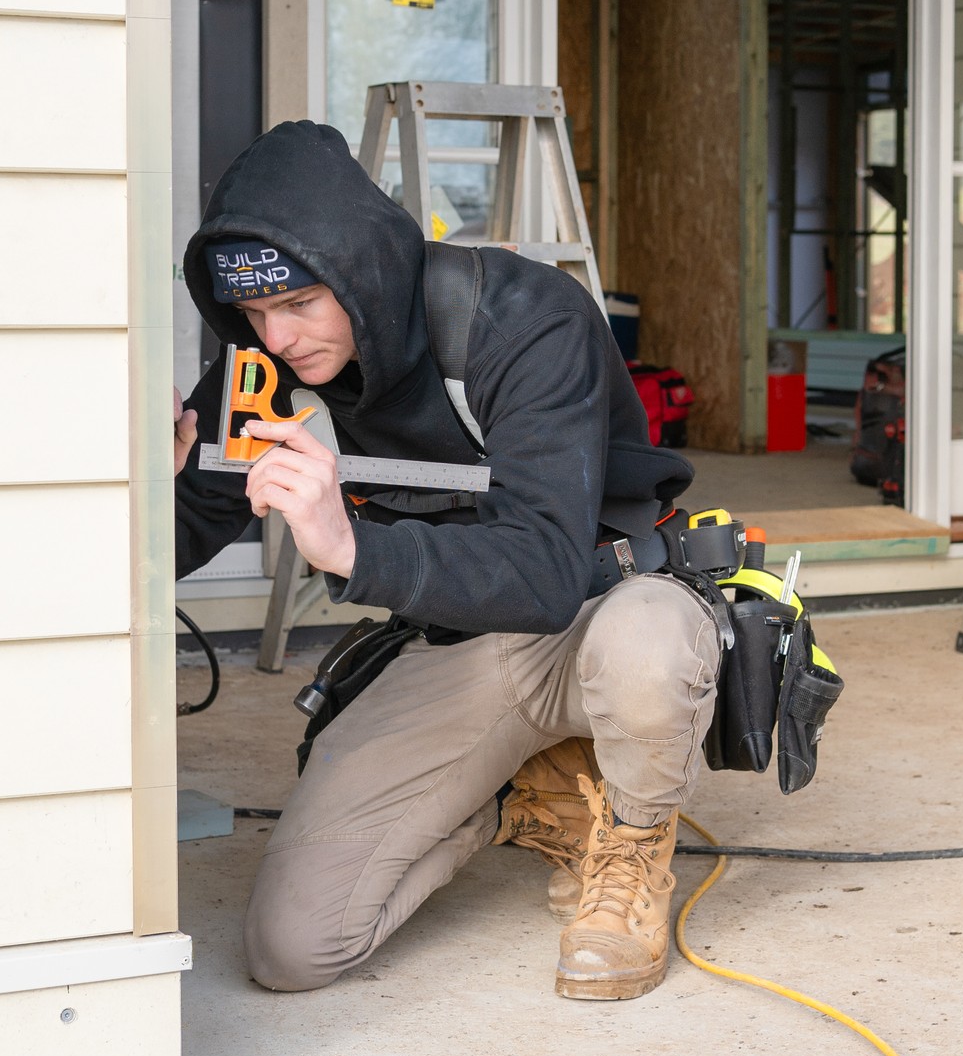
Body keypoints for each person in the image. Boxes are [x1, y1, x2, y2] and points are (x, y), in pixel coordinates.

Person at [173, 120, 721, 1001]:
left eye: (301, 303)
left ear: (362, 270)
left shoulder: (520, 318)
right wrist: (129, 487)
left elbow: (544, 571)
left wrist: (351, 547)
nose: (275, 339)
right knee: (294, 947)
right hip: (464, 643)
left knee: (653, 641)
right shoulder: (264, 368)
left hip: (598, 608)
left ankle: (632, 842)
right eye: (254, 314)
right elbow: (185, 529)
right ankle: (520, 801)